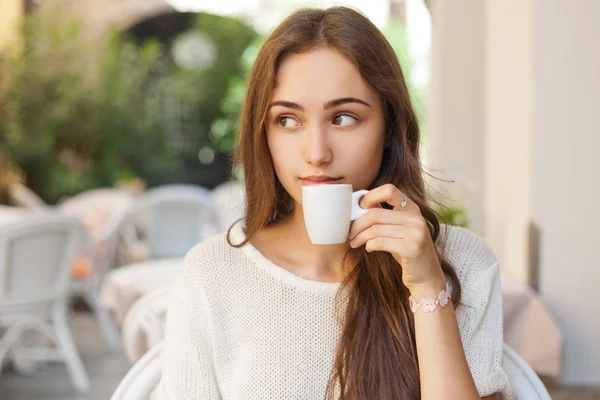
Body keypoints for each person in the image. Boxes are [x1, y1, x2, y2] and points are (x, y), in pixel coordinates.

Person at [152, 6, 513, 400]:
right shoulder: (213, 274)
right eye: (288, 120)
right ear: (264, 135)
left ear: (390, 129)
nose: (317, 153)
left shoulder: (462, 262)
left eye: (343, 118)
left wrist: (427, 286)